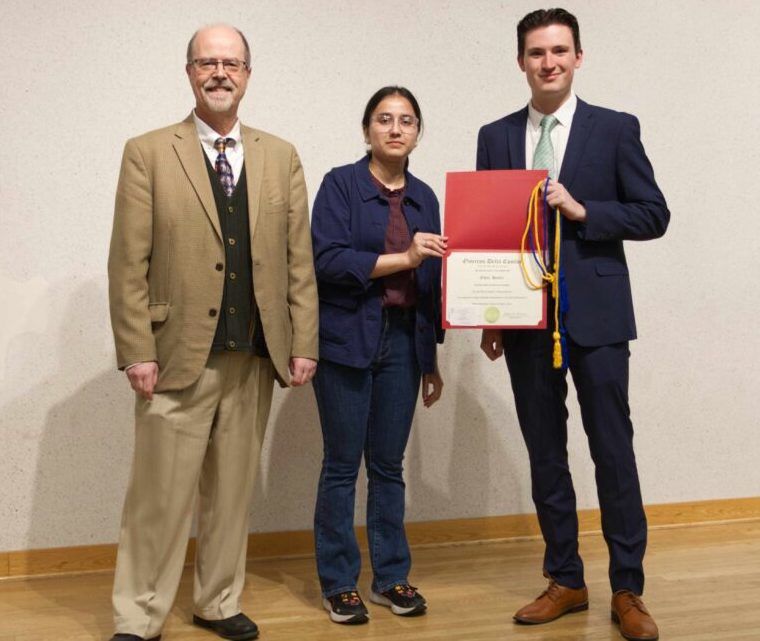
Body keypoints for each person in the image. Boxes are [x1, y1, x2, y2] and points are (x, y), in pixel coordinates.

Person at [107, 24, 318, 641]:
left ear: (248, 73)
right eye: (207, 62)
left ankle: (218, 602)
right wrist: (136, 350)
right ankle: (139, 615)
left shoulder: (280, 155)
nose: (219, 72)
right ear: (190, 72)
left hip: (254, 354)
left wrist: (304, 339)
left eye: (231, 62)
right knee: (159, 500)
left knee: (230, 497)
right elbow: (128, 262)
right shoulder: (148, 151)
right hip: (174, 356)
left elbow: (297, 259)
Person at [477, 8, 668, 641]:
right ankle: (565, 577)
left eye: (560, 50)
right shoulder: (495, 134)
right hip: (526, 319)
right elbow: (491, 233)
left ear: (578, 57)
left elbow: (652, 213)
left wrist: (585, 211)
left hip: (599, 317)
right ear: (522, 62)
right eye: (537, 52)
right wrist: (489, 314)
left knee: (613, 451)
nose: (549, 62)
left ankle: (628, 589)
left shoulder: (615, 129)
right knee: (545, 453)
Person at [310, 86, 445, 625]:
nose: (395, 128)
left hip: (405, 343)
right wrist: (403, 257)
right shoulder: (340, 185)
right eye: (384, 119)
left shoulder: (426, 197)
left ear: (417, 132)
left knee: (388, 466)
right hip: (346, 340)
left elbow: (431, 281)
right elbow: (328, 260)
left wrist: (431, 360)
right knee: (342, 466)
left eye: (406, 120)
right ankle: (339, 583)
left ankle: (390, 576)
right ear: (367, 129)